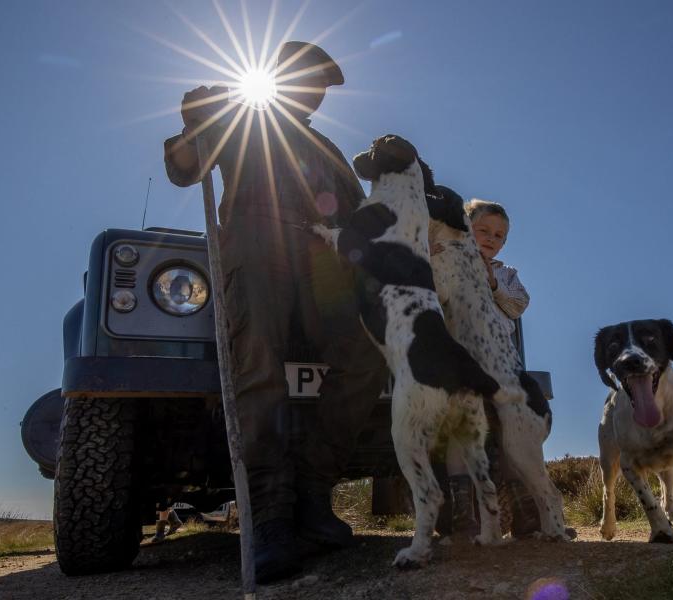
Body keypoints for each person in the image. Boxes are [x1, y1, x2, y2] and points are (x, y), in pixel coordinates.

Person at [163, 41, 388, 583]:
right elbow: (185, 170)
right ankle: (269, 518)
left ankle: (313, 494)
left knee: (365, 360)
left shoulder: (328, 149)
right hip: (254, 246)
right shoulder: (235, 120)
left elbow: (359, 218)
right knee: (258, 369)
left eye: (320, 85)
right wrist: (195, 123)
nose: (312, 91)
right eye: (304, 79)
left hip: (321, 263)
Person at [432, 198, 539, 538]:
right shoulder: (449, 262)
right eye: (483, 231)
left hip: (502, 366)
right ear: (466, 229)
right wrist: (434, 256)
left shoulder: (507, 275)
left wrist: (492, 282)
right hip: (462, 362)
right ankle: (464, 517)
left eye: (499, 235)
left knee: (511, 435)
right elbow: (437, 296)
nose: (491, 239)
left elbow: (518, 305)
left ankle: (524, 514)